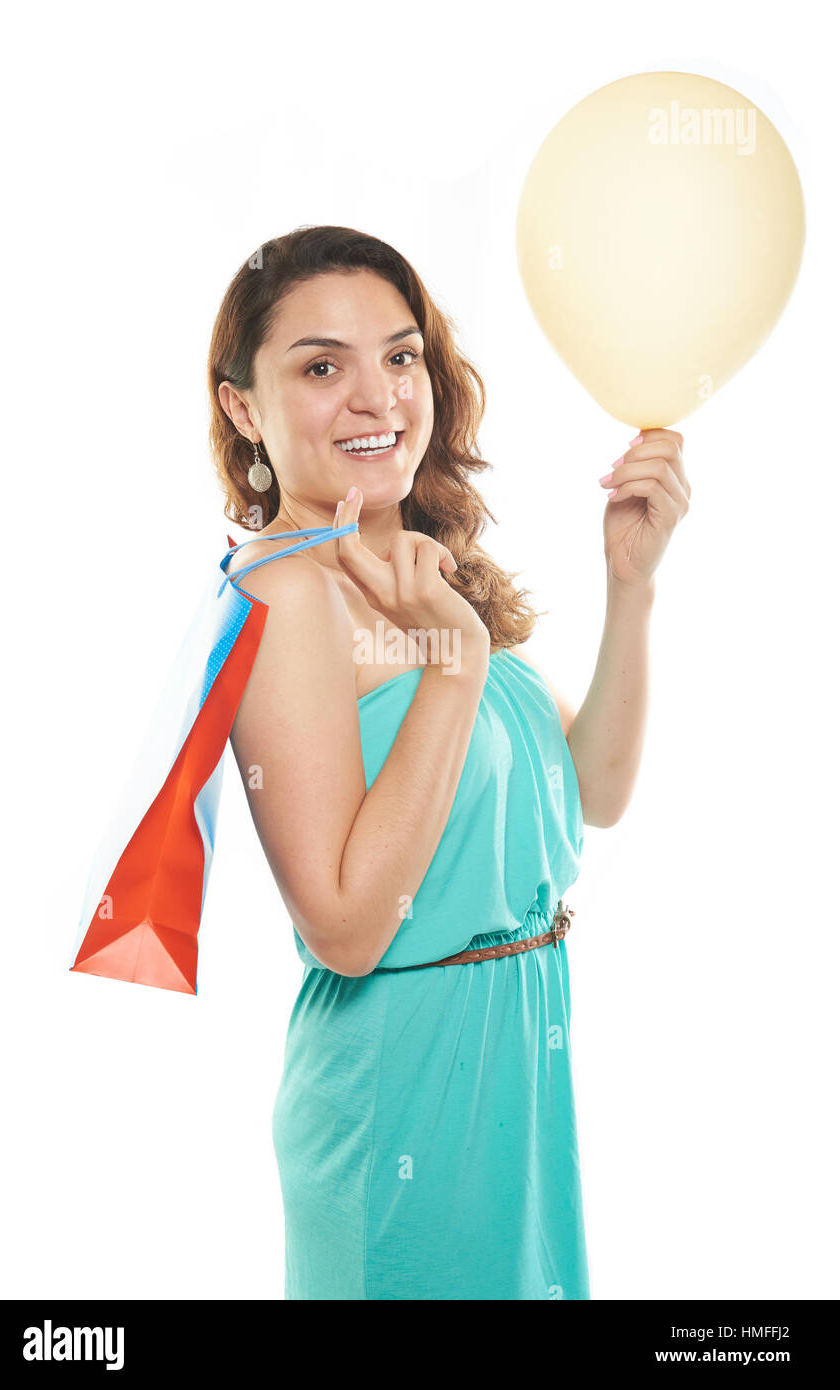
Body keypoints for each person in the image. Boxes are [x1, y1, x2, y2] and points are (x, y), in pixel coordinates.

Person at [210, 224, 690, 1300]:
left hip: (518, 1066)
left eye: (401, 353)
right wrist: (454, 660)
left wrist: (631, 585)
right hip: (402, 1095)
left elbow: (593, 791)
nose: (378, 397)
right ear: (244, 406)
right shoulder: (284, 596)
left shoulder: (422, 566)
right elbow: (342, 925)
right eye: (321, 366)